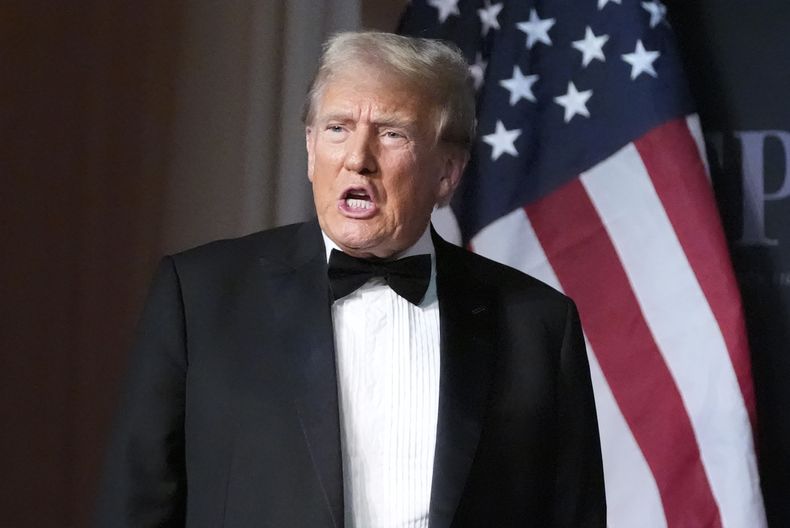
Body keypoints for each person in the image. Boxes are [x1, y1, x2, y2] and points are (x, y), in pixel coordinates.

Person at [95, 31, 605, 528]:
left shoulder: (536, 325)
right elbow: (136, 505)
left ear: (447, 172)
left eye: (391, 133)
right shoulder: (200, 296)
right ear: (312, 150)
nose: (357, 158)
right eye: (338, 128)